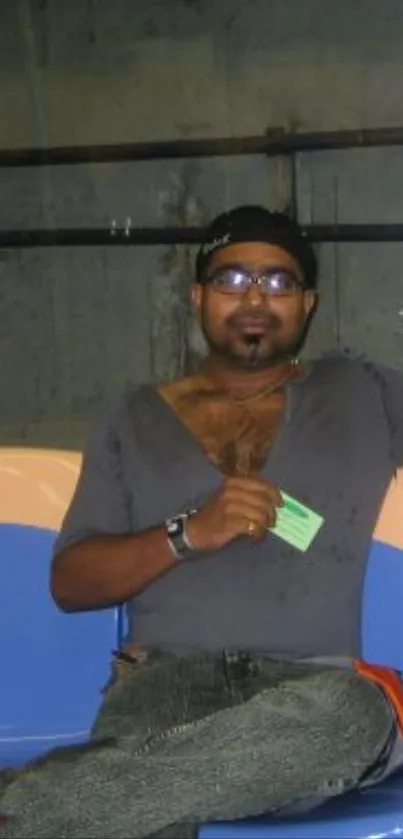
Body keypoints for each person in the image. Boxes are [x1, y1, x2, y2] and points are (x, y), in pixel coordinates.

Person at [1, 205, 403, 839]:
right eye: (232, 278)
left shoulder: (366, 390)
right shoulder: (134, 416)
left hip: (311, 692)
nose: (255, 297)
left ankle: (24, 807)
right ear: (197, 296)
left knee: (355, 715)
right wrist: (186, 534)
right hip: (165, 684)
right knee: (150, 788)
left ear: (308, 304)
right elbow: (71, 584)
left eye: (278, 282)